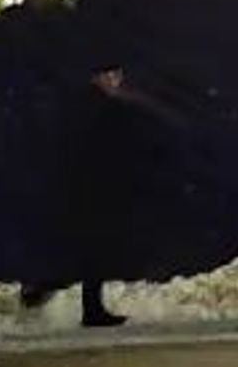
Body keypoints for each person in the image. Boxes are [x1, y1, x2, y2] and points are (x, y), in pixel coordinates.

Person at [16, 64, 167, 327]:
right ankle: (65, 297)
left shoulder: (92, 104)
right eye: (110, 76)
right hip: (89, 189)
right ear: (97, 77)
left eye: (118, 75)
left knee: (92, 250)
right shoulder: (94, 105)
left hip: (90, 187)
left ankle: (53, 292)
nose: (115, 81)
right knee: (93, 250)